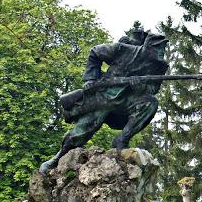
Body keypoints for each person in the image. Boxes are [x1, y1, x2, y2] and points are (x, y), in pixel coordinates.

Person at [39, 29, 169, 173]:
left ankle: (121, 140)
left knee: (150, 103)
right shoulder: (123, 50)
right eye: (158, 49)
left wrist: (140, 87)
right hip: (103, 96)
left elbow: (153, 89)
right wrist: (90, 78)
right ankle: (58, 158)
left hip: (127, 101)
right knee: (81, 132)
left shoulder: (159, 65)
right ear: (148, 47)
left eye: (163, 49)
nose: (161, 54)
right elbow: (95, 52)